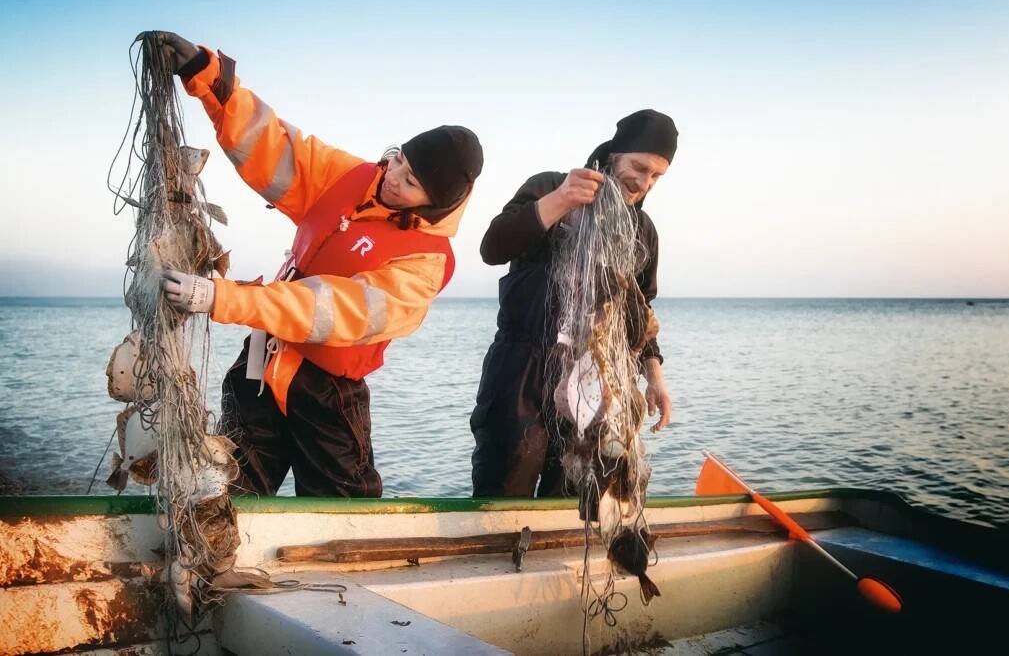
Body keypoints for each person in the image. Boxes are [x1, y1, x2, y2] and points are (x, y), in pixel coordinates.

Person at [154, 32, 483, 497]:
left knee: (342, 512)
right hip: (261, 367)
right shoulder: (352, 178)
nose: (392, 179)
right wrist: (210, 78)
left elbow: (327, 310)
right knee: (223, 492)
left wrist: (220, 297)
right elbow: (275, 146)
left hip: (327, 394)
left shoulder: (425, 262)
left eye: (410, 182)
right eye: (398, 161)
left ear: (434, 204)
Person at [471, 109, 676, 497]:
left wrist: (655, 377)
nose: (644, 182)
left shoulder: (642, 231)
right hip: (522, 370)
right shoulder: (552, 186)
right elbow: (493, 246)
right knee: (504, 483)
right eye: (639, 166)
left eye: (656, 176)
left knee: (572, 491)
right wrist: (562, 199)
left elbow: (639, 313)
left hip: (595, 375)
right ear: (615, 153)